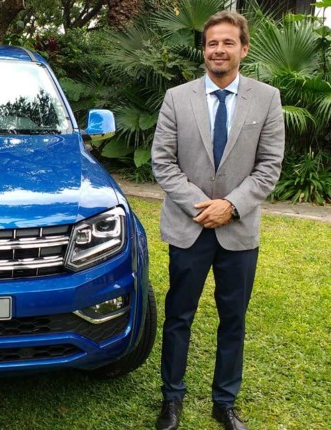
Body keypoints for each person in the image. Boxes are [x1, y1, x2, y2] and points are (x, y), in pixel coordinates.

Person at [151, 10, 284, 430]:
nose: (219, 50)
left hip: (238, 230)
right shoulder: (177, 98)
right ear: (204, 50)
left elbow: (269, 166)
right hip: (188, 228)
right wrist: (204, 206)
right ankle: (172, 399)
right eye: (212, 43)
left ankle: (223, 402)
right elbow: (163, 163)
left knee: (233, 319)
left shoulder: (267, 98)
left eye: (228, 42)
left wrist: (230, 205)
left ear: (243, 49)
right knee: (179, 316)